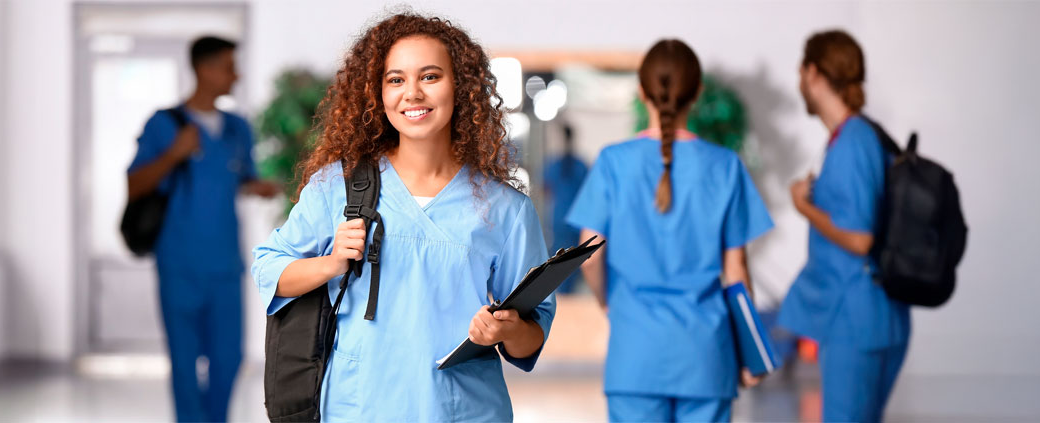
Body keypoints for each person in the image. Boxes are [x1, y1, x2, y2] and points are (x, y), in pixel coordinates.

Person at [251, 13, 553, 421]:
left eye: (430, 76)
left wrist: (505, 330)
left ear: (460, 87)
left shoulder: (505, 211)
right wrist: (331, 263)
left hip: (462, 410)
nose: (412, 93)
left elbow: (531, 335)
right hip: (359, 407)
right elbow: (269, 268)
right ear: (378, 93)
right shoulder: (337, 187)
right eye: (395, 80)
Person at [566, 39, 774, 423]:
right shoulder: (725, 166)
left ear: (641, 91)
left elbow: (588, 254)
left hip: (635, 355)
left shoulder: (614, 162)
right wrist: (747, 348)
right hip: (706, 357)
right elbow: (737, 273)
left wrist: (607, 301)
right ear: (697, 93)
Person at [125, 35, 279, 423]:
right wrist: (174, 153)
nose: (236, 75)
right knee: (184, 362)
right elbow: (135, 184)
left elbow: (236, 178)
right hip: (179, 263)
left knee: (229, 358)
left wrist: (256, 187)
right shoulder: (165, 124)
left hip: (225, 266)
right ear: (204, 69)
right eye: (229, 67)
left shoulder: (237, 128)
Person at [777, 29, 911, 423]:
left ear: (814, 74)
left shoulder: (853, 142)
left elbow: (859, 237)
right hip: (871, 316)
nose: (800, 81)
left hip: (857, 324)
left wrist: (804, 207)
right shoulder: (854, 138)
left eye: (802, 72)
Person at [542, 124, 588, 293]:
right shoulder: (580, 166)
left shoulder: (553, 165)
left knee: (558, 261)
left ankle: (561, 296)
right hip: (575, 220)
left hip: (559, 219)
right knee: (573, 263)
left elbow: (546, 190)